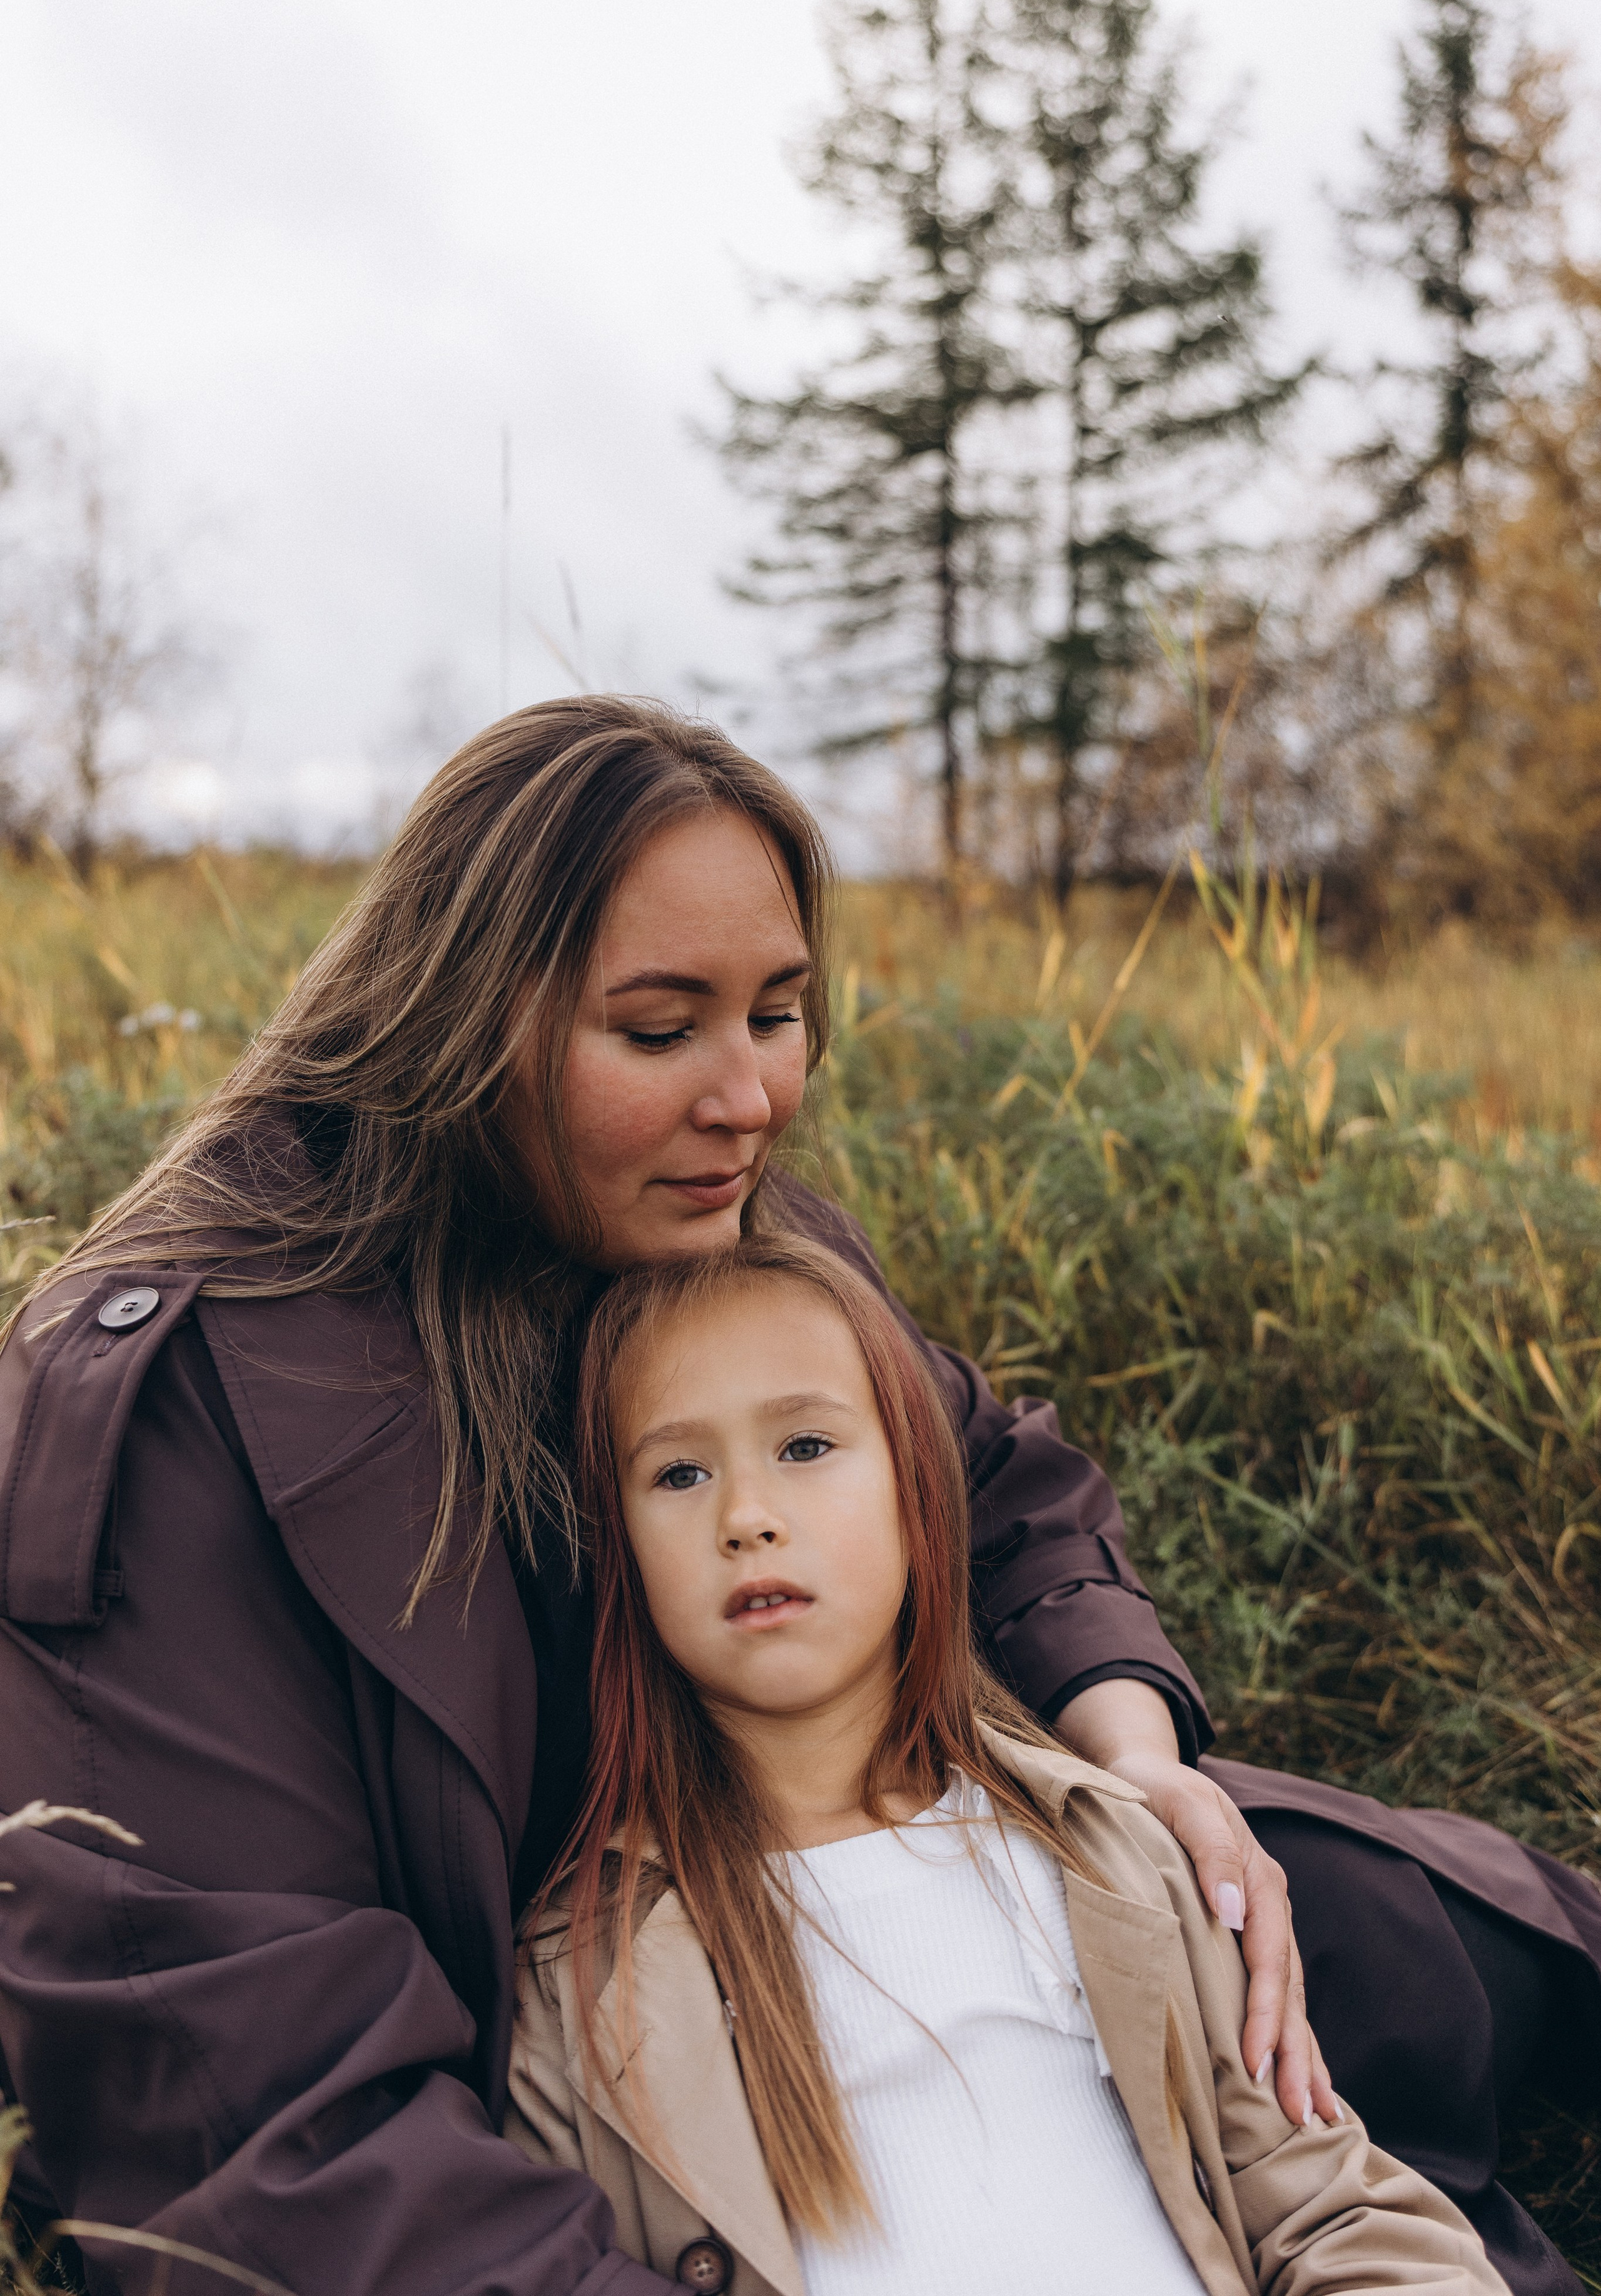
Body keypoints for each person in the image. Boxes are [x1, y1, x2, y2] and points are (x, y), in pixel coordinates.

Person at [0, 697, 1590, 2296]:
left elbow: (988, 1478)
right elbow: (249, 2121)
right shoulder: (173, 1407)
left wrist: (1135, 1765)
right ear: (466, 1016)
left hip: (889, 1879)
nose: (750, 1097)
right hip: (599, 2085)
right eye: (657, 1026)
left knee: (1369, 1915)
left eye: (778, 1011)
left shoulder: (709, 1221)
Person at [507, 1229, 1508, 2296]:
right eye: (679, 1471)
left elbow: (1325, 2200)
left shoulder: (1103, 1850)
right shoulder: (585, 1972)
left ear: (921, 1494)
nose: (746, 1518)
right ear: (618, 1549)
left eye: (805, 1447)